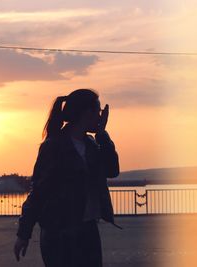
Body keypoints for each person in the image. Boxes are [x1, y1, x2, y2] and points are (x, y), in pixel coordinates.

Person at [14, 89, 120, 267]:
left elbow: (112, 170)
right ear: (87, 112)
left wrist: (102, 134)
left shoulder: (92, 145)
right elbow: (38, 192)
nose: (101, 116)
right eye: (98, 110)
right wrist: (23, 234)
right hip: (59, 233)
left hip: (87, 230)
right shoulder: (54, 146)